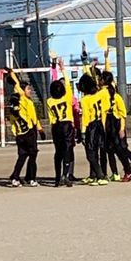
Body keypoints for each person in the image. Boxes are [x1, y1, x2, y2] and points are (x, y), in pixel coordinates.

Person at [101, 70, 131, 182]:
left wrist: (121, 129)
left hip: (116, 125)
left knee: (123, 150)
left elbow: (123, 115)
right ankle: (115, 173)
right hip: (108, 126)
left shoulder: (115, 96)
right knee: (110, 150)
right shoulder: (104, 92)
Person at [7, 68, 46, 187]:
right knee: (32, 155)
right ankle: (31, 179)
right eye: (28, 88)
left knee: (23, 156)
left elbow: (35, 118)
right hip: (28, 132)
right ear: (22, 91)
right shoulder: (23, 100)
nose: (30, 90)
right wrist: (12, 73)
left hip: (22, 133)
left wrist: (40, 129)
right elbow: (17, 85)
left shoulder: (28, 102)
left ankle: (15, 177)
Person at [78, 72, 110, 186]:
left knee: (90, 153)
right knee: (96, 150)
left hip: (91, 126)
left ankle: (100, 175)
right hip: (100, 124)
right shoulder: (100, 94)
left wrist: (82, 132)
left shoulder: (85, 100)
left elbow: (85, 117)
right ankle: (93, 175)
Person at [47, 58, 75, 187]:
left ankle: (58, 178)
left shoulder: (50, 101)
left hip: (56, 126)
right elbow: (67, 82)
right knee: (68, 150)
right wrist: (62, 67)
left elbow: (55, 83)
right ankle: (66, 175)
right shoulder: (67, 96)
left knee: (58, 152)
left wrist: (54, 68)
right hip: (67, 125)